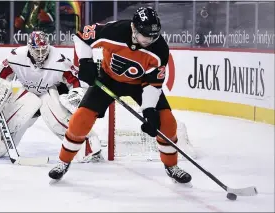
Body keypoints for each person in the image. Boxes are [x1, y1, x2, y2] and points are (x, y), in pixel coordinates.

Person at [48, 7, 192, 184]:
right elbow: (81, 36)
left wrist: (149, 111)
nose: (149, 40)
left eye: (153, 36)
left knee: (167, 122)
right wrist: (85, 61)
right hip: (108, 80)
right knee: (81, 119)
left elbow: (153, 85)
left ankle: (171, 166)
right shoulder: (114, 31)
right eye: (145, 35)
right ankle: (63, 162)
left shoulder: (159, 48)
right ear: (133, 28)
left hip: (140, 85)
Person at [0, 31, 103, 163]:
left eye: (44, 50)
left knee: (58, 121)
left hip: (49, 92)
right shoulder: (16, 56)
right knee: (13, 119)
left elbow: (75, 80)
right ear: (29, 48)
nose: (41, 54)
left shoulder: (58, 59)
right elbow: (1, 76)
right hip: (28, 92)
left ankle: (89, 146)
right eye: (37, 51)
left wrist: (76, 93)